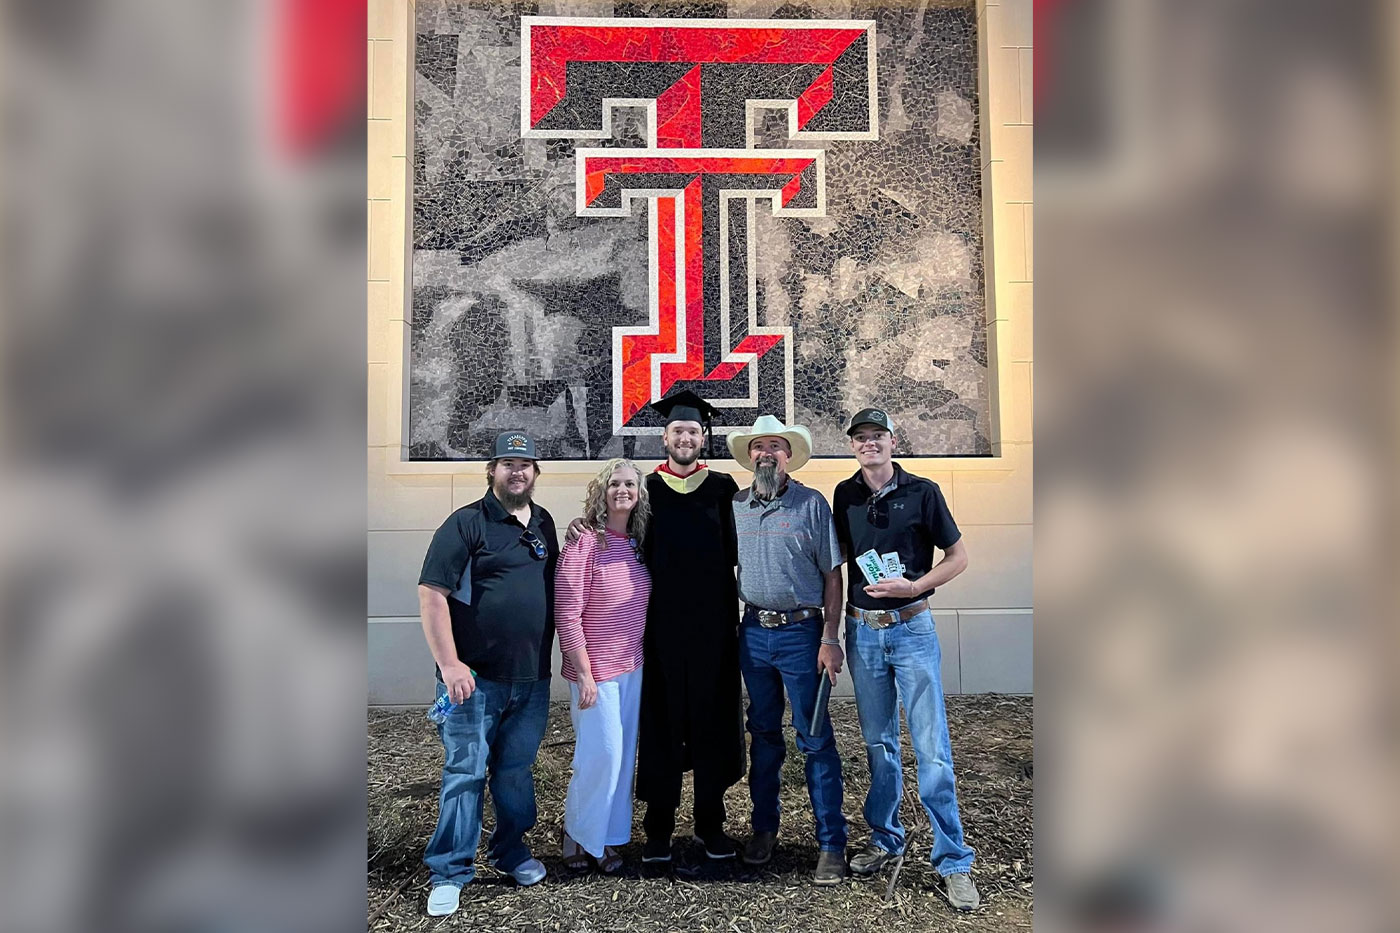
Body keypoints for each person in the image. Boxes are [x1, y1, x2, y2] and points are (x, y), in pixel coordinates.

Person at [568, 389, 745, 864]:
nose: (685, 437)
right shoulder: (648, 491)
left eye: (693, 431)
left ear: (703, 437)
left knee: (711, 725)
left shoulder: (724, 489)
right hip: (659, 634)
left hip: (714, 631)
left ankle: (710, 825)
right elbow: (616, 528)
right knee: (661, 729)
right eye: (676, 431)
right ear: (664, 437)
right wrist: (581, 526)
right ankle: (659, 830)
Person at [833, 408, 981, 911]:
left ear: (894, 441)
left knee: (931, 746)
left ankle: (954, 859)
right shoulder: (845, 494)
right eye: (861, 438)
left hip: (912, 629)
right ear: (853, 445)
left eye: (878, 436)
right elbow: (839, 565)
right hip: (864, 633)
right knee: (878, 741)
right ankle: (885, 837)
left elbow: (958, 557)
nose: (869, 444)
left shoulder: (924, 492)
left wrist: (915, 585)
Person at [416, 432, 559, 917]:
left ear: (536, 473)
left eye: (525, 464)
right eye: (507, 464)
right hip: (473, 681)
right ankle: (450, 870)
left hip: (532, 680)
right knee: (465, 772)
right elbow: (432, 594)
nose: (517, 472)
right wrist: (451, 664)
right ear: (491, 471)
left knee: (515, 773)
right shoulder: (466, 524)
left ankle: (511, 850)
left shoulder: (543, 523)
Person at [726, 416, 849, 885]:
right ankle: (763, 829)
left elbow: (833, 575)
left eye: (775, 447)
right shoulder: (736, 505)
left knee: (814, 738)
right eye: (759, 447)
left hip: (803, 635)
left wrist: (830, 637)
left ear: (788, 456)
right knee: (763, 734)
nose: (766, 454)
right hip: (754, 633)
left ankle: (832, 844)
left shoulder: (812, 505)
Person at [554, 458, 652, 874]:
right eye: (614, 484)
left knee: (622, 756)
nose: (622, 490)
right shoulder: (584, 543)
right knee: (602, 755)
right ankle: (577, 835)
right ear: (601, 491)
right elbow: (567, 613)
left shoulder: (637, 542)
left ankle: (606, 837)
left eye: (630, 484)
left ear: (639, 494)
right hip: (595, 671)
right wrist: (586, 674)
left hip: (633, 667)